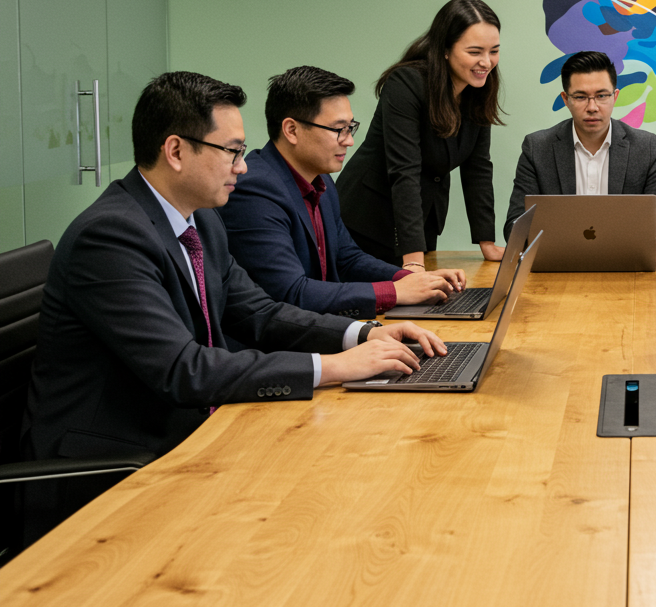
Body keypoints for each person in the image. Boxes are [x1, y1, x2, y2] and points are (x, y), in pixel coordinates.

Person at [22, 71, 445, 540]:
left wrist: (364, 335)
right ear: (176, 151)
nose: (243, 167)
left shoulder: (201, 222)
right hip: (115, 468)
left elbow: (260, 312)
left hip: (193, 435)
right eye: (232, 151)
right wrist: (335, 367)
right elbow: (185, 370)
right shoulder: (110, 237)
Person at [219, 66, 467, 317]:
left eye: (351, 127)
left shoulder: (320, 178)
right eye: (339, 129)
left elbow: (347, 258)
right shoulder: (254, 191)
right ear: (291, 130)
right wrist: (395, 292)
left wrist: (411, 278)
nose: (349, 140)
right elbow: (292, 292)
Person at [338, 0, 504, 266]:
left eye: (494, 51)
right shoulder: (406, 84)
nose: (486, 62)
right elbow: (404, 170)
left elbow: (478, 168)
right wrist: (413, 260)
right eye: (475, 52)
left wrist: (487, 243)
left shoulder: (479, 89)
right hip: (369, 218)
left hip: (420, 220)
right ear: (445, 50)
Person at [504, 51, 656, 262]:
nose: (592, 107)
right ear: (566, 99)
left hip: (627, 267)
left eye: (601, 96)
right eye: (580, 97)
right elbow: (515, 225)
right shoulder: (537, 148)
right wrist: (550, 248)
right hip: (557, 269)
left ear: (615, 96)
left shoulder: (644, 147)